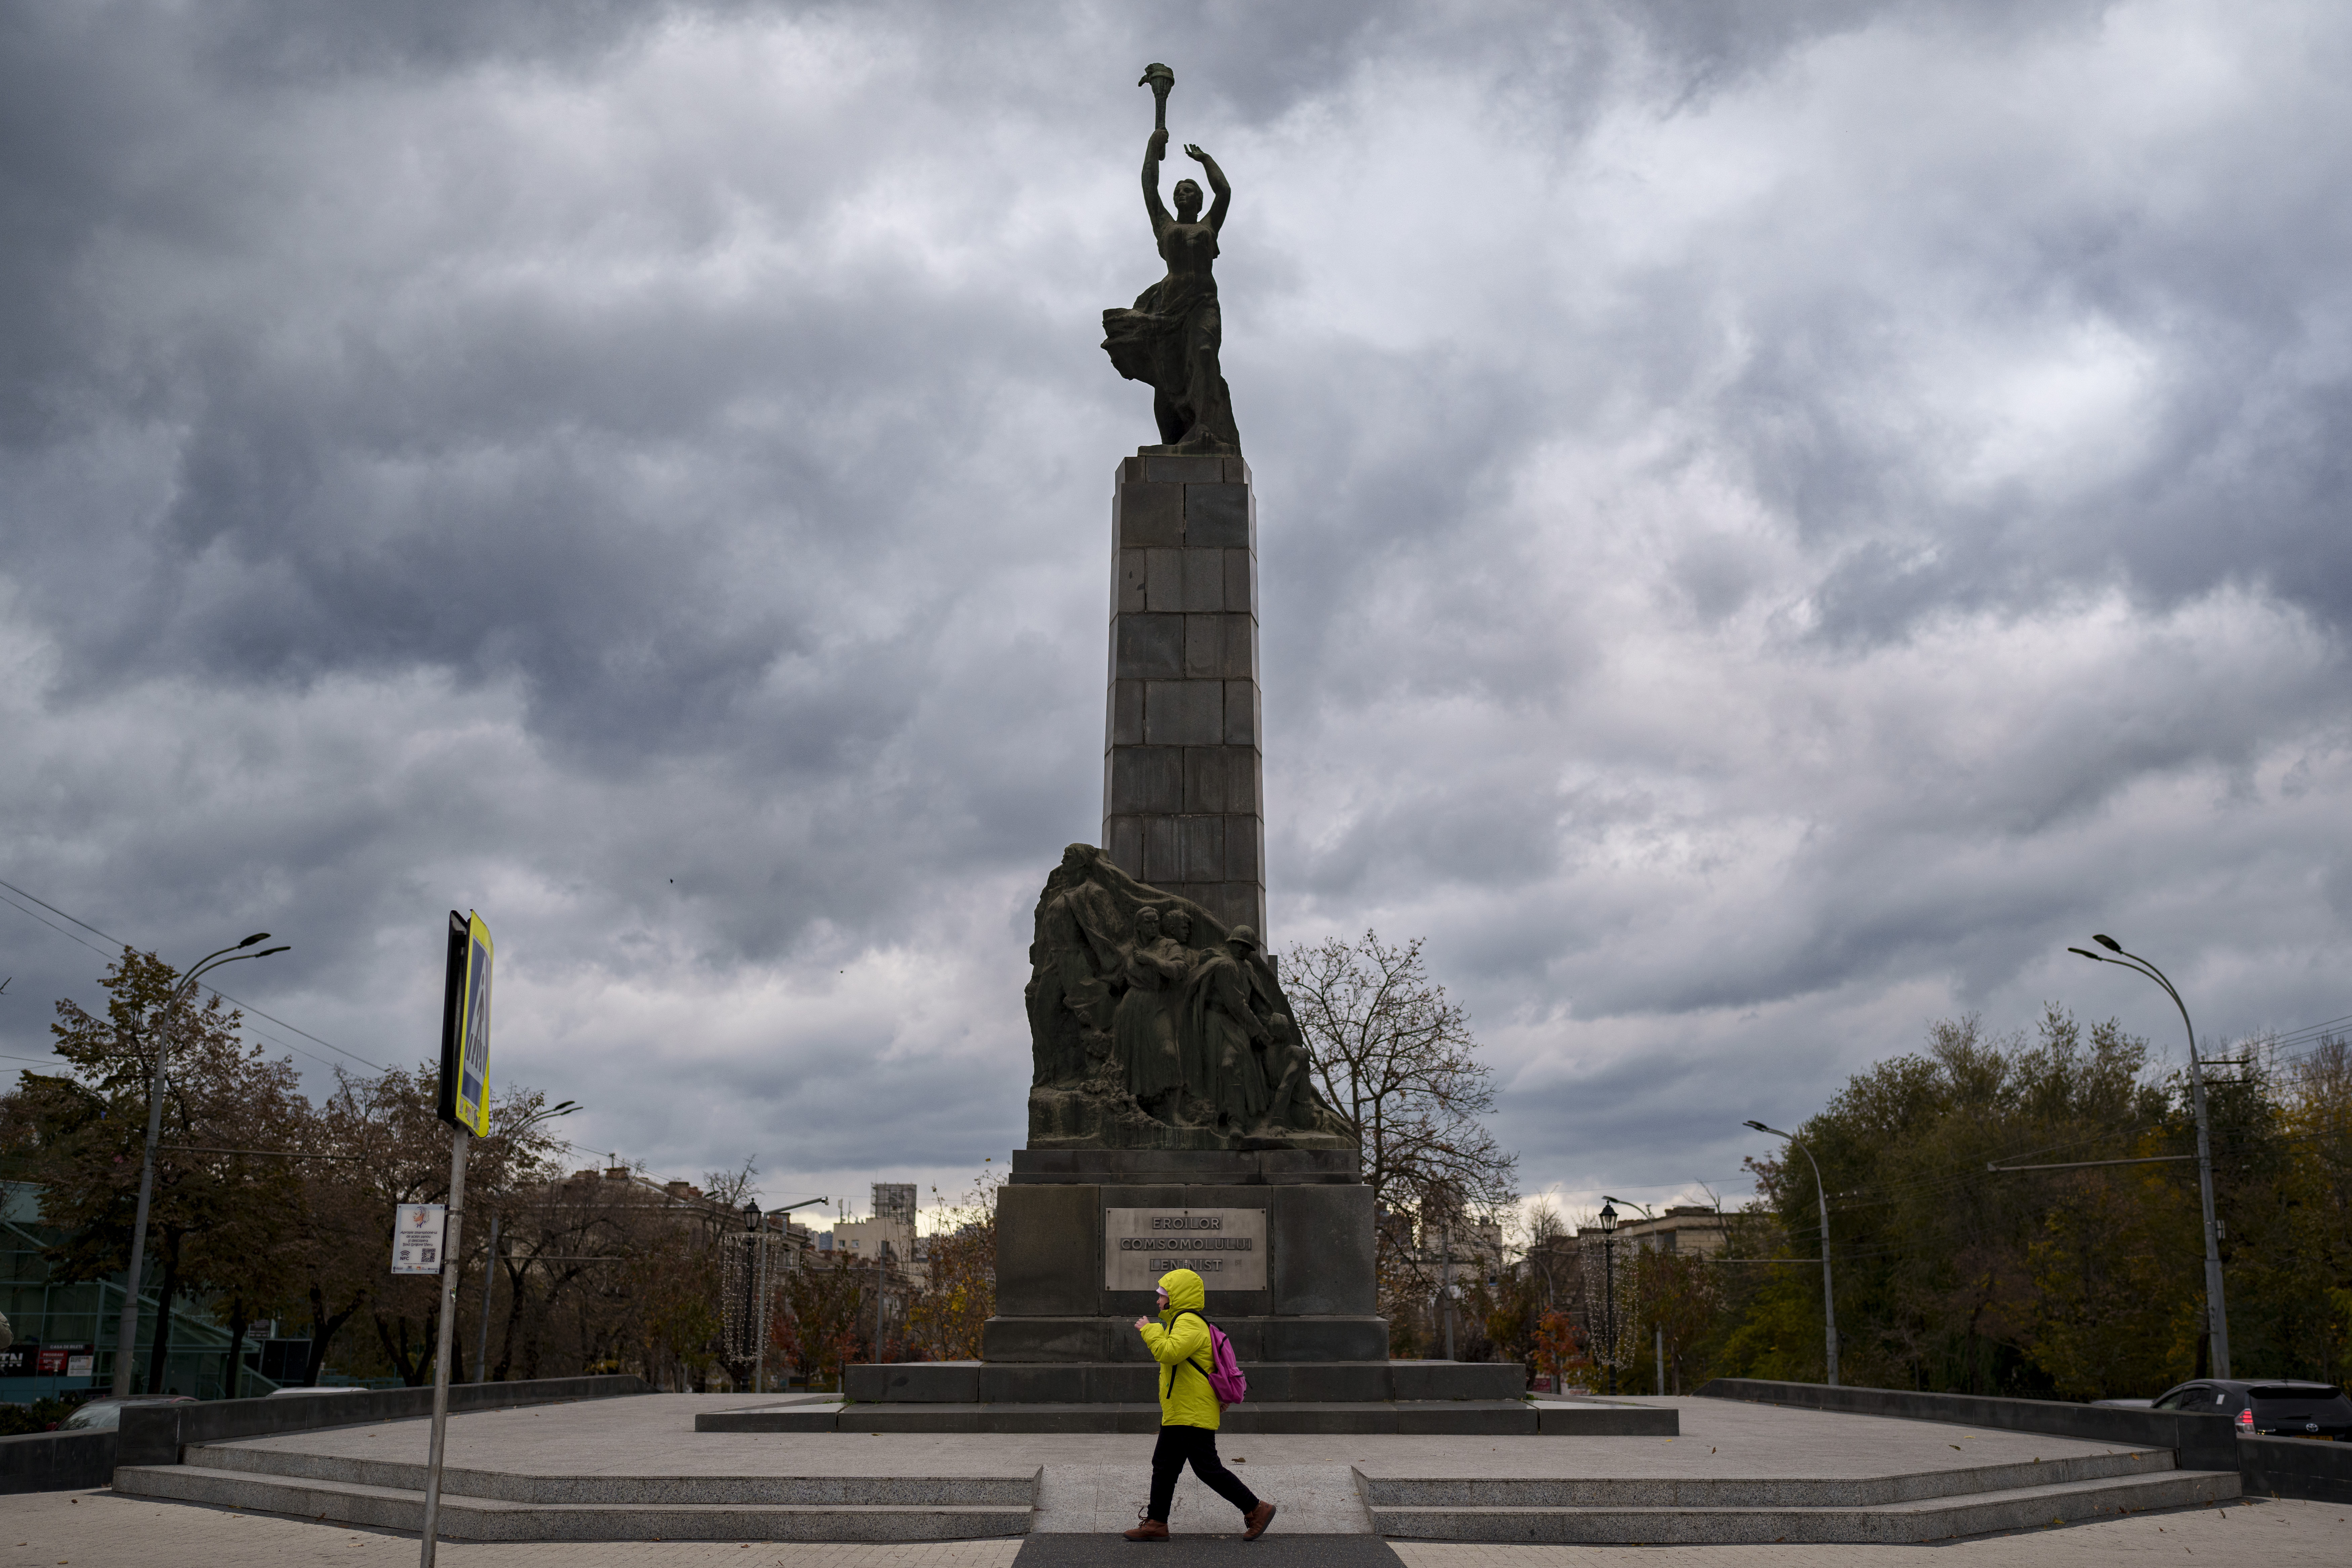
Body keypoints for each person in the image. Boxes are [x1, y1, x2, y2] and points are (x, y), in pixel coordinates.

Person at [1126, 1268, 1275, 1541]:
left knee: (1207, 1467)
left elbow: (1168, 1353)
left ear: (1176, 1297)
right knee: (1165, 1465)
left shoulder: (1189, 1322)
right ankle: (1157, 1522)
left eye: (1162, 1295)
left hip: (1191, 1410)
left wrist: (1150, 1330)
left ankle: (1256, 1509)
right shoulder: (1182, 1322)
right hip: (1181, 1410)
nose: (1158, 1300)